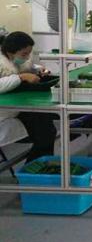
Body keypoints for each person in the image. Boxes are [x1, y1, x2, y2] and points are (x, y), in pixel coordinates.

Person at [0, 32, 57, 162]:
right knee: (44, 132)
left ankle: (39, 165)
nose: (26, 57)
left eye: (28, 54)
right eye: (24, 54)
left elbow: (24, 66)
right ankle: (37, 165)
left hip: (18, 106)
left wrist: (38, 69)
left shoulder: (15, 60)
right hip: (4, 111)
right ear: (10, 52)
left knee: (46, 127)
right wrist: (21, 77)